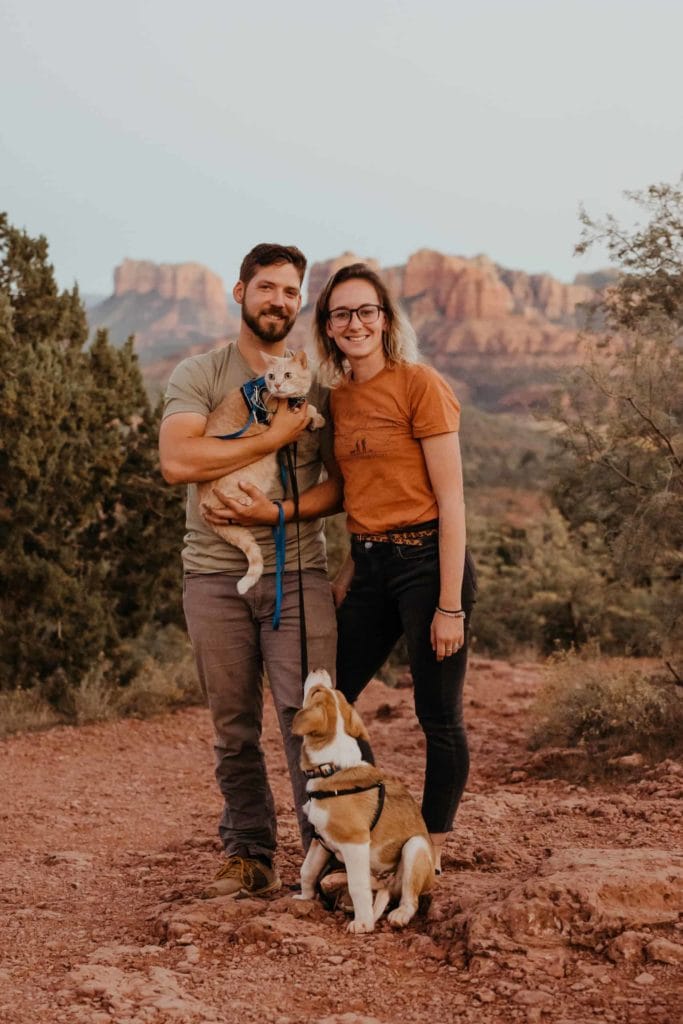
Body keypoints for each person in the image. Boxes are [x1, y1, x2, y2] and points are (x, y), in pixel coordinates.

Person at [159, 243, 342, 898]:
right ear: (240, 293)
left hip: (299, 574)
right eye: (266, 288)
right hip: (214, 575)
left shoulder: (319, 384)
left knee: (310, 720)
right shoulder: (201, 373)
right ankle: (249, 854)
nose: (278, 301)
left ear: (300, 301)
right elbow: (178, 462)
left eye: (290, 291)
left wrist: (278, 512)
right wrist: (270, 438)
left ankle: (329, 857)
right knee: (233, 727)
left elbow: (341, 487)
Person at [313, 263, 477, 876]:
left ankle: (430, 848)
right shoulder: (337, 398)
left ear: (384, 320)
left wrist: (450, 604)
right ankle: (375, 821)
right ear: (328, 327)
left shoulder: (419, 383)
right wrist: (349, 572)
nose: (354, 323)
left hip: (428, 563)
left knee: (438, 715)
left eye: (366, 311)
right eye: (341, 314)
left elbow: (452, 501)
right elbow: (360, 493)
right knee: (335, 699)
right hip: (370, 565)